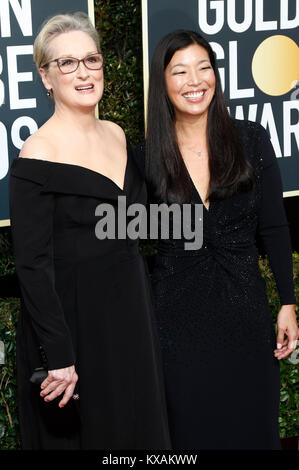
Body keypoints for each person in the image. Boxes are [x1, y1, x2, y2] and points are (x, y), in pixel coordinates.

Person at [9, 12, 170, 450]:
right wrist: (58, 356)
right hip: (76, 326)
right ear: (45, 76)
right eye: (67, 63)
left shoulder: (117, 134)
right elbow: (32, 264)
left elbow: (133, 224)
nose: (83, 72)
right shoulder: (37, 153)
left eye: (92, 59)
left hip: (130, 314)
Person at [133, 30, 298, 450]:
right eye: (181, 71)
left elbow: (275, 228)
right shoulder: (145, 156)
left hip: (246, 316)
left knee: (253, 430)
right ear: (163, 82)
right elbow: (122, 231)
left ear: (216, 75)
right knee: (190, 435)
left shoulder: (251, 139)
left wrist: (287, 302)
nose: (195, 80)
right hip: (176, 325)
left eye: (204, 68)